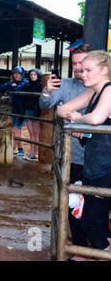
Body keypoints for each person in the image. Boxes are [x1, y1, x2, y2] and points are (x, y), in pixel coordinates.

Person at [58, 50, 111, 260]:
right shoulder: (93, 92)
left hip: (107, 167)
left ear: (104, 70)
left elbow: (97, 119)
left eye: (89, 70)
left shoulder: (109, 90)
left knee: (91, 221)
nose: (83, 74)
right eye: (81, 69)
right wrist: (76, 117)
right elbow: (63, 110)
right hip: (95, 164)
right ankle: (99, 253)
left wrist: (79, 119)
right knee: (92, 220)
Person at [39, 43, 93, 247]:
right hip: (74, 156)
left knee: (97, 205)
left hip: (101, 158)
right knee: (73, 204)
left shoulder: (102, 87)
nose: (78, 68)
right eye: (75, 63)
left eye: (83, 63)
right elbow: (45, 105)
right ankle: (80, 246)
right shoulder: (67, 85)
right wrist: (46, 91)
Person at [0, 66, 28, 156]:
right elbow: (1, 88)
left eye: (18, 74)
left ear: (22, 74)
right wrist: (9, 84)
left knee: (17, 129)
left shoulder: (25, 83)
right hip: (15, 109)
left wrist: (14, 87)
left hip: (22, 109)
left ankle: (21, 149)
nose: (16, 75)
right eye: (14, 73)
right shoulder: (12, 83)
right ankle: (16, 148)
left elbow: (19, 90)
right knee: (16, 129)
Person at [22, 68, 42, 161]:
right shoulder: (27, 85)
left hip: (36, 111)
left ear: (38, 76)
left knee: (36, 133)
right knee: (31, 133)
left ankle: (34, 153)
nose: (33, 76)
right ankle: (31, 153)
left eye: (35, 75)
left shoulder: (41, 86)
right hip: (28, 110)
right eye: (31, 75)